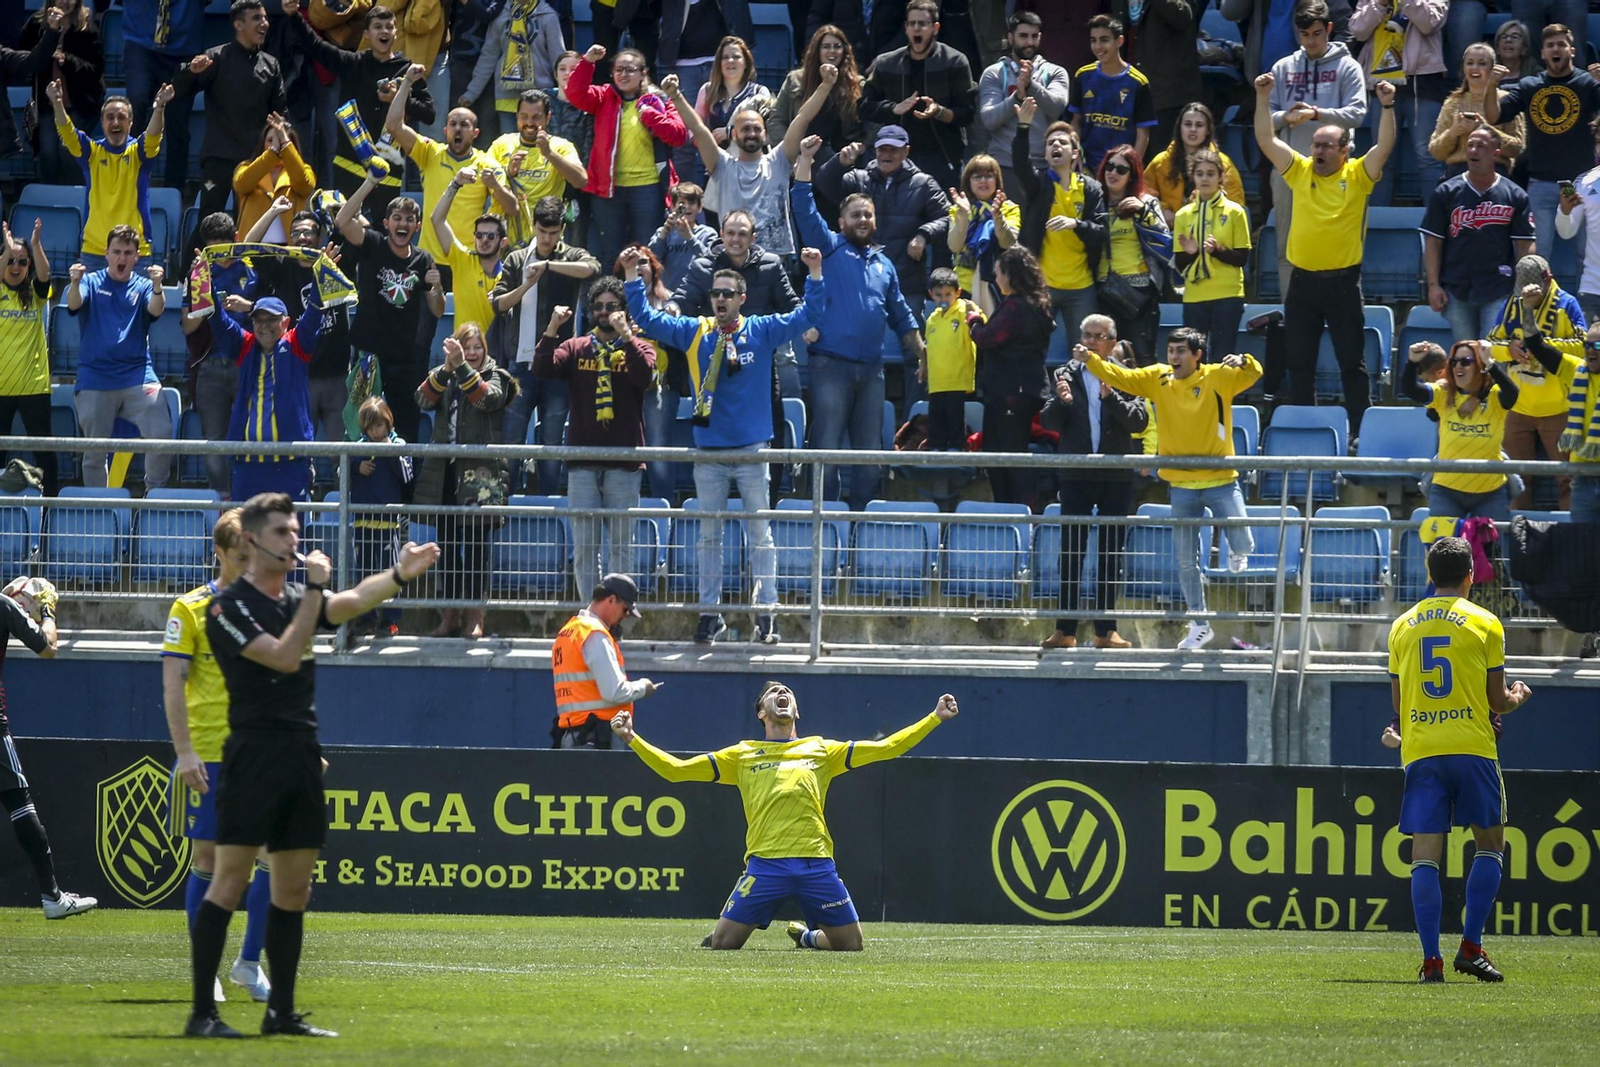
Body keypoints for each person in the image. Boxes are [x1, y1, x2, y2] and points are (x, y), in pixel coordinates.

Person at [185, 493, 440, 1039]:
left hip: (300, 752)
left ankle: (280, 1014)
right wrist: (317, 591)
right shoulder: (226, 608)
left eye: (295, 531)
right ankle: (203, 1014)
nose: (293, 540)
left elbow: (353, 601)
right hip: (252, 753)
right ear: (251, 541)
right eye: (281, 531)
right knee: (229, 881)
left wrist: (399, 574)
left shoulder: (299, 597)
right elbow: (282, 655)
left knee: (293, 889)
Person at [610, 683, 959, 950]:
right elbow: (676, 771)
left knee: (852, 945)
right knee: (723, 944)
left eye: (787, 692)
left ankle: (807, 937)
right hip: (765, 866)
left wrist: (935, 718)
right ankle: (729, 926)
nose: (782, 693)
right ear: (761, 713)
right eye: (773, 692)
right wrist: (631, 738)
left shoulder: (821, 749)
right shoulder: (743, 754)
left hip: (816, 864)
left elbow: (887, 748)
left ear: (797, 711)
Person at [623, 245, 827, 645]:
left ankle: (766, 614)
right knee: (708, 539)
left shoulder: (762, 329)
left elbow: (809, 315)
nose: (720, 299)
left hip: (752, 451)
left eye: (727, 294)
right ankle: (709, 614)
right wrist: (632, 276)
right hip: (709, 452)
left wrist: (815, 274)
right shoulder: (695, 331)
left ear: (741, 299)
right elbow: (645, 318)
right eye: (715, 293)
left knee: (761, 537)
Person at [1387, 535, 1532, 985]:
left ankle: (1431, 962)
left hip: (1423, 751)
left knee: (1424, 856)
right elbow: (1497, 701)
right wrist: (1517, 696)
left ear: (1429, 575)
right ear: (1471, 574)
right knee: (1490, 845)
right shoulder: (1486, 623)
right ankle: (1471, 947)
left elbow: (1399, 703)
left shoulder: (1402, 625)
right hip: (1472, 748)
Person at [1082, 327, 1261, 651]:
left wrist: (1244, 360)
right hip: (1181, 484)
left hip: (1221, 479)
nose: (1174, 357)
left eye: (1181, 351)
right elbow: (1121, 376)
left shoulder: (1218, 376)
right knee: (1185, 561)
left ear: (1197, 355)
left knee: (1243, 543)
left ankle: (1238, 549)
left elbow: (1254, 373)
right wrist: (1091, 359)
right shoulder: (1157, 377)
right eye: (1171, 350)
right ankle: (1199, 625)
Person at [162, 509, 272, 1005]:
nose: (250, 566)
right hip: (209, 754)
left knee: (273, 857)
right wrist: (184, 752)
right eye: (241, 558)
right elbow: (172, 685)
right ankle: (206, 970)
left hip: (259, 753)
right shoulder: (189, 609)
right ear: (220, 554)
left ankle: (248, 963)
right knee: (207, 858)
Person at [1255, 70, 1396, 438]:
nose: (1317, 151)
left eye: (1325, 146)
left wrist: (1387, 106)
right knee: (1299, 363)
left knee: (1352, 363)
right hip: (1302, 283)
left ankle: (1360, 433)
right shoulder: (1300, 171)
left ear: (1344, 150)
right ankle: (1307, 430)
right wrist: (1263, 97)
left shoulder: (1359, 174)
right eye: (1315, 145)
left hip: (1343, 285)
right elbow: (1266, 139)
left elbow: (1384, 147)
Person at [793, 139, 925, 512]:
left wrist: (922, 353)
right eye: (855, 215)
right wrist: (805, 161)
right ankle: (824, 524)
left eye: (868, 215)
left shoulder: (885, 265)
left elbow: (901, 314)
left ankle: (861, 528)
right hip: (830, 365)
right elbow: (802, 207)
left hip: (871, 371)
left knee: (870, 455)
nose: (863, 220)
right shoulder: (829, 246)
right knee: (827, 451)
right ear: (841, 222)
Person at [535, 280, 656, 596]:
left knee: (621, 547)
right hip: (583, 463)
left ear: (624, 311)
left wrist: (627, 336)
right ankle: (591, 613)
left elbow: (645, 376)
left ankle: (616, 611)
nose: (604, 312)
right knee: (585, 547)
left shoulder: (639, 346)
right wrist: (552, 328)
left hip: (624, 463)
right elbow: (543, 368)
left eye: (612, 306)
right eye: (599, 306)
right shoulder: (576, 347)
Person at [1040, 315, 1145, 650]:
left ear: (1112, 343)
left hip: (1115, 475)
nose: (1090, 341)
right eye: (1086, 335)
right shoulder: (1064, 373)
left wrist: (1111, 397)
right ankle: (1065, 630)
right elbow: (1048, 421)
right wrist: (1062, 401)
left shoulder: (1127, 375)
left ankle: (1106, 631)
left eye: (1098, 336)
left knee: (1110, 554)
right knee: (1071, 553)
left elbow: (1139, 422)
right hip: (1076, 474)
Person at [661, 58, 830, 265]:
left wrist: (826, 85)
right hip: (733, 260)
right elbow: (698, 128)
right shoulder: (721, 165)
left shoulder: (779, 160)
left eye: (757, 129)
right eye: (745, 129)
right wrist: (676, 96)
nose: (751, 133)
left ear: (765, 134)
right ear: (734, 134)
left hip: (775, 260)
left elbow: (802, 118)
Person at [490, 195, 602, 494]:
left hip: (560, 368)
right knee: (511, 442)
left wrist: (550, 265)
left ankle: (548, 502)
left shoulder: (571, 255)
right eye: (542, 231)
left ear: (562, 230)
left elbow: (592, 268)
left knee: (552, 443)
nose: (547, 238)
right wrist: (527, 283)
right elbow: (498, 305)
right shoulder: (516, 259)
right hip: (521, 365)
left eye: (553, 233)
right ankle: (505, 504)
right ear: (534, 225)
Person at [288, 4, 437, 223]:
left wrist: (401, 99)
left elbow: (429, 113)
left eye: (389, 27)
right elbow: (316, 46)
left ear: (396, 33)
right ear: (367, 34)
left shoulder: (407, 70)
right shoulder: (353, 63)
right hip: (348, 168)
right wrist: (293, 15)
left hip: (388, 174)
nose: (384, 31)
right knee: (343, 231)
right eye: (378, 27)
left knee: (383, 234)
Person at [415, 326, 518, 641]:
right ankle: (449, 615)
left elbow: (487, 399)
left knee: (475, 549)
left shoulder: (497, 375)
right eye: (466, 347)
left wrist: (461, 367)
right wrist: (447, 370)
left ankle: (475, 615)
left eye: (477, 347)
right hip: (445, 473)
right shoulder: (445, 374)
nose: (472, 353)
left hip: (480, 475)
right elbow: (422, 399)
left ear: (485, 349)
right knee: (444, 548)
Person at [1, 576, 95, 920]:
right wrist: (46, 611)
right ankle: (52, 896)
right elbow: (48, 647)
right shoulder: (3, 606)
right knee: (20, 802)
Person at [1485, 24, 1600, 292]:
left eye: (1561, 44)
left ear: (1572, 50)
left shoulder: (1587, 83)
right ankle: (1537, 309)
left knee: (1587, 255)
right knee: (1538, 258)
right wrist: (1491, 86)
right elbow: (1493, 116)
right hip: (1541, 183)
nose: (1555, 49)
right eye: (1550, 45)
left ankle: (1588, 311)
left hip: (1582, 185)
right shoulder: (1530, 85)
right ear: (1543, 53)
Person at [1264, 0, 1368, 294]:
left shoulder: (1347, 66)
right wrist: (1284, 117)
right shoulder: (1282, 68)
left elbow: (1358, 113)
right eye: (1305, 34)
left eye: (1317, 34)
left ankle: (1342, 310)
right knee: (1286, 245)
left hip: (1337, 171)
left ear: (1329, 29)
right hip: (1291, 168)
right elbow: (1265, 117)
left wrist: (1316, 113)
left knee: (1341, 249)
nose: (1311, 41)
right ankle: (1292, 310)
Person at [335, 175, 445, 446]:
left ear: (417, 226)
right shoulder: (373, 243)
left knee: (405, 427)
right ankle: (359, 469)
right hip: (368, 354)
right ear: (386, 223)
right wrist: (370, 182)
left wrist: (437, 287)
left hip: (404, 359)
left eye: (409, 219)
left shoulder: (423, 259)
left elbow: (438, 310)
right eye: (397, 218)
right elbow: (343, 221)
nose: (403, 224)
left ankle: (402, 472)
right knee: (360, 422)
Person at [813, 124, 951, 338]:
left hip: (906, 280)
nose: (886, 155)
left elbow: (949, 217)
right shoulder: (859, 179)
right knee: (859, 341)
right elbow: (823, 183)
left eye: (893, 149)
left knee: (912, 342)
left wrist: (924, 235)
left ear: (906, 152)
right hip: (861, 278)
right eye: (882, 149)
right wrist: (839, 163)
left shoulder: (923, 183)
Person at [567, 44, 690, 275]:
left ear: (643, 73)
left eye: (630, 70)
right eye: (618, 70)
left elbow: (679, 135)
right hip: (608, 190)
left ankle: (644, 297)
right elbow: (575, 94)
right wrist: (587, 62)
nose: (623, 75)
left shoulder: (658, 100)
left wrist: (653, 117)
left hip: (648, 188)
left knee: (646, 252)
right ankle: (611, 297)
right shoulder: (604, 96)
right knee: (611, 254)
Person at [65, 228, 171, 492]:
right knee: (94, 451)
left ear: (136, 257)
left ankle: (154, 496)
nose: (121, 258)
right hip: (95, 377)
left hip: (137, 374)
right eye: (116, 252)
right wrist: (75, 283)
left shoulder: (144, 285)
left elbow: (155, 310)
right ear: (106, 254)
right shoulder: (91, 281)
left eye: (127, 252)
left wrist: (158, 286)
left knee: (162, 432)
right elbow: (74, 304)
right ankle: (99, 504)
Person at [386, 62, 516, 266]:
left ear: (475, 133)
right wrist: (407, 82)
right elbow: (394, 126)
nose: (457, 129)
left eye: (464, 125)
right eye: (453, 124)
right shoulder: (430, 153)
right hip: (429, 261)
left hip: (466, 262)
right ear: (445, 131)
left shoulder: (487, 164)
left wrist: (495, 186)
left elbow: (512, 208)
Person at [245, 204, 352, 451]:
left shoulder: (334, 260)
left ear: (319, 236)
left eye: (308, 232)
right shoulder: (283, 267)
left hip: (338, 376)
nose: (302, 237)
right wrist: (272, 211)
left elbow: (354, 228)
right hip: (300, 376)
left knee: (343, 455)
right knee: (300, 451)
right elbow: (249, 246)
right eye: (295, 233)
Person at [169, 0, 289, 219]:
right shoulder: (216, 57)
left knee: (248, 223)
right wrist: (191, 71)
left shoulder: (271, 65)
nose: (265, 23)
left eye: (265, 18)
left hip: (254, 161)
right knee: (209, 222)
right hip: (219, 158)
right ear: (238, 25)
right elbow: (179, 90)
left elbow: (280, 114)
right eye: (257, 18)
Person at [1486, 257, 1587, 510]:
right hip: (1517, 408)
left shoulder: (1567, 304)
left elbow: (1584, 348)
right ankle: (1517, 533)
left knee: (1568, 479)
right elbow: (1488, 345)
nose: (1528, 297)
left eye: (1534, 292)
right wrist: (1509, 350)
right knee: (1516, 480)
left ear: (1548, 279)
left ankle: (1572, 531)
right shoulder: (1512, 304)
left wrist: (1542, 347)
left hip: (1559, 410)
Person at [1013, 96, 1107, 367]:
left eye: (1063, 142)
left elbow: (1101, 231)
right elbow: (1020, 164)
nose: (1056, 145)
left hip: (1082, 287)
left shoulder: (1090, 188)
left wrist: (1076, 224)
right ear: (1045, 153)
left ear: (1075, 153)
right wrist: (1023, 128)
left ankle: (1080, 393)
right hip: (1043, 284)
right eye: (1050, 143)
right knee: (1030, 349)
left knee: (1086, 355)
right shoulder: (1039, 184)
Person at [1422, 126, 1537, 345]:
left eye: (1481, 146)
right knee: (1466, 353)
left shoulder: (1514, 194)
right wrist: (1433, 285)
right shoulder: (1446, 192)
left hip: (1498, 286)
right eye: (1470, 145)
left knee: (1490, 352)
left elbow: (1525, 245)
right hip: (1456, 287)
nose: (1474, 151)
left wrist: (1521, 286)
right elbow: (1433, 242)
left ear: (1496, 153)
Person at [966, 246, 1055, 506]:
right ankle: (1011, 512)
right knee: (1000, 454)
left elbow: (987, 338)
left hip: (1011, 392)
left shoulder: (1017, 306)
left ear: (1011, 275)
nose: (996, 279)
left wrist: (974, 319)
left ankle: (1018, 515)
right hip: (1021, 389)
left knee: (1009, 457)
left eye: (998, 274)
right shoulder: (1035, 303)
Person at [860, 0, 978, 193]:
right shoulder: (887, 63)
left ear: (935, 28)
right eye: (912, 23)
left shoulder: (955, 61)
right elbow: (864, 106)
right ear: (905, 28)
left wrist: (939, 112)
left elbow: (967, 114)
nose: (916, 28)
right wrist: (893, 108)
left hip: (943, 156)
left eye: (922, 24)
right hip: (899, 156)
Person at [50, 80, 170, 271]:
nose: (115, 122)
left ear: (130, 122)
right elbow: (68, 133)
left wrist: (159, 108)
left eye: (121, 117)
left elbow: (154, 135)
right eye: (110, 117)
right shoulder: (91, 153)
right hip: (95, 251)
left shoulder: (139, 153)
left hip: (134, 250)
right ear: (102, 122)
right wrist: (57, 103)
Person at [1399, 339, 1521, 521]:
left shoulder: (1494, 396)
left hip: (1490, 492)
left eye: (1466, 362)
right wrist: (1412, 362)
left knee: (1493, 541)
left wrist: (1490, 363)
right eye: (1454, 362)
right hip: (1446, 490)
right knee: (1445, 541)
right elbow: (1410, 389)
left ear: (1479, 365)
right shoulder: (1442, 392)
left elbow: (1513, 393)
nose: (1458, 366)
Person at [1349, 0, 1447, 206]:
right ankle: (1378, 218)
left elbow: (1430, 23)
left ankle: (1436, 219)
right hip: (1381, 82)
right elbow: (1357, 30)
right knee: (1382, 156)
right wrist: (1379, 4)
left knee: (1427, 156)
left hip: (1422, 82)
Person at [550, 574, 662, 749]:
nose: (625, 616)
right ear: (611, 600)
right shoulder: (595, 634)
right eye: (625, 609)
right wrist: (643, 687)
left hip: (574, 735)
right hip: (596, 738)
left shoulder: (567, 632)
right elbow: (614, 692)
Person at [976, 11, 1071, 213]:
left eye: (1034, 36)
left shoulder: (1055, 72)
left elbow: (1057, 107)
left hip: (1044, 167)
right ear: (1010, 38)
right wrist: (1016, 98)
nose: (1029, 42)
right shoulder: (994, 73)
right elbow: (989, 119)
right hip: (1004, 168)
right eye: (1023, 36)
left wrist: (1030, 86)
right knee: (1005, 230)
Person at [1173, 148, 1252, 363]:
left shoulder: (1235, 211)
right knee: (1193, 359)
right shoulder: (1183, 214)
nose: (1205, 179)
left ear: (1220, 177)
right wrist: (1192, 253)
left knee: (1222, 357)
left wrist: (1218, 251)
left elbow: (1242, 259)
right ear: (1193, 177)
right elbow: (1179, 264)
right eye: (1200, 174)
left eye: (1210, 173)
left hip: (1227, 293)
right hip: (1195, 295)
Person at [625, 247, 691, 499]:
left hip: (663, 386)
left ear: (654, 269)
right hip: (625, 384)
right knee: (625, 444)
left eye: (643, 262)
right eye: (633, 263)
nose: (638, 267)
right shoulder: (614, 302)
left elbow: (682, 343)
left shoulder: (671, 301)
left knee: (658, 445)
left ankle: (663, 508)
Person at [0, 222, 60, 497]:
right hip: (1, 388)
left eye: (22, 261)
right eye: (10, 260)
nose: (16, 266)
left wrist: (35, 245)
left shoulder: (36, 294)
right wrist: (7, 249)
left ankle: (50, 512)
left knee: (45, 453)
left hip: (33, 386)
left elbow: (45, 274)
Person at [1095, 145, 1170, 365]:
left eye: (1121, 169)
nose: (1113, 173)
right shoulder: (1095, 202)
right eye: (1109, 167)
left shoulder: (1146, 202)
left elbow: (1164, 238)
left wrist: (1143, 211)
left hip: (1139, 290)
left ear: (1132, 175)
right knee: (1106, 357)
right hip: (1104, 288)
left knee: (1141, 356)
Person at [488, 90, 589, 247]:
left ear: (548, 117)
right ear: (517, 116)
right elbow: (484, 183)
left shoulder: (561, 146)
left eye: (536, 117)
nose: (529, 123)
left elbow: (581, 180)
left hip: (545, 240)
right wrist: (508, 173)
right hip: (504, 240)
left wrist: (549, 153)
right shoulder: (501, 144)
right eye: (524, 116)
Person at [18, 0, 103, 185]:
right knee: (48, 152)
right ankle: (52, 194)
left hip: (81, 105)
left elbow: (95, 70)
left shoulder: (87, 27)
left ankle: (80, 192)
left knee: (68, 149)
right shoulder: (36, 24)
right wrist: (49, 33)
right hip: (48, 105)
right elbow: (23, 57)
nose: (65, 1)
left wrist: (67, 61)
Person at [674, 35, 775, 187]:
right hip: (715, 170)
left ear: (746, 63)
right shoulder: (707, 90)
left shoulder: (759, 92)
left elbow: (768, 131)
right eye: (725, 57)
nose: (730, 61)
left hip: (750, 172)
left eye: (736, 57)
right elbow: (694, 128)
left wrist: (729, 132)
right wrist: (705, 141)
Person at [121, 0, 199, 190]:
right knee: (135, 107)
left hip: (184, 49)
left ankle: (174, 191)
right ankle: (128, 185)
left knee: (178, 125)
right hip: (140, 43)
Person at [462, 0, 566, 140]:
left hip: (539, 96)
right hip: (507, 96)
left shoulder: (547, 16)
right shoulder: (501, 16)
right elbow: (489, 56)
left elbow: (558, 58)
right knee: (510, 146)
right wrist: (472, 92)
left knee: (538, 146)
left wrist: (567, 90)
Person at [766, 24, 866, 165]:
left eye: (837, 46)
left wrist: (861, 147)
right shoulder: (795, 80)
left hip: (842, 157)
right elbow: (776, 120)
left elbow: (871, 124)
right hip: (801, 154)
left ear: (844, 51)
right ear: (817, 50)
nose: (832, 51)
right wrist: (789, 152)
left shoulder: (857, 84)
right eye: (826, 46)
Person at [1070, 14, 1157, 173]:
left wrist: (1130, 169)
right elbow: (1076, 122)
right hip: (1086, 167)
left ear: (1119, 41)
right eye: (1093, 40)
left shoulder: (1138, 82)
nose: (1098, 46)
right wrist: (1075, 152)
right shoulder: (1082, 76)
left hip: (1119, 170)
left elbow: (1143, 134)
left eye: (1104, 40)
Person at [1428, 43, 1525, 178]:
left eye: (1482, 63)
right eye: (1470, 63)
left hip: (1495, 173)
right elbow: (1436, 152)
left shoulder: (1506, 100)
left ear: (1492, 68)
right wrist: (1454, 131)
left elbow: (1517, 148)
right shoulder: (1452, 103)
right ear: (1464, 68)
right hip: (1458, 173)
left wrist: (1486, 130)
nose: (1475, 68)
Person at [1145, 102, 1248, 225]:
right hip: (1167, 230)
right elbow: (1143, 194)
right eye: (1188, 124)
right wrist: (1163, 209)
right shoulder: (1160, 162)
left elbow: (1236, 206)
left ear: (1208, 130)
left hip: (1210, 231)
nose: (1193, 129)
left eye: (1199, 125)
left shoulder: (1223, 164)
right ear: (1180, 128)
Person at [430, 178, 510, 337]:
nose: (484, 240)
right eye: (479, 235)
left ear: (503, 242)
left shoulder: (509, 274)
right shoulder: (462, 259)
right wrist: (455, 184)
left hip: (495, 351)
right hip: (461, 349)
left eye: (491, 236)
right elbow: (437, 219)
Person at [946, 155, 1020, 311]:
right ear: (968, 181)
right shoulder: (958, 209)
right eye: (977, 177)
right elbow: (954, 246)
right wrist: (963, 215)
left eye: (989, 176)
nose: (983, 181)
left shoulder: (1009, 208)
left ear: (997, 180)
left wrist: (998, 218)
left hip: (998, 285)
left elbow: (1008, 243)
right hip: (963, 286)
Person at [922, 268, 981, 451]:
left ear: (958, 292)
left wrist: (974, 314)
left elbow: (982, 326)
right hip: (936, 381)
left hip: (957, 379)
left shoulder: (964, 310)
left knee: (955, 417)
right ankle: (936, 448)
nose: (944, 299)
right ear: (931, 294)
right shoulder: (932, 319)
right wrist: (923, 365)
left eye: (948, 294)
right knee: (936, 417)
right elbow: (929, 346)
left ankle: (956, 448)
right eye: (938, 295)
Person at [232, 113, 315, 243]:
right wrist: (272, 153)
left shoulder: (303, 169)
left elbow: (305, 187)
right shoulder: (246, 167)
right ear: (262, 143)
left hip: (289, 249)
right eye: (270, 140)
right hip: (251, 248)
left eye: (281, 140)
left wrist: (285, 143)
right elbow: (241, 185)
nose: (276, 144)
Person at [1556, 115, 1600, 326]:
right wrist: (1565, 211)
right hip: (1593, 288)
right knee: (1587, 346)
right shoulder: (1584, 181)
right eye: (1599, 141)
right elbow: (1566, 232)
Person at [649, 182, 718, 292]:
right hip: (668, 292)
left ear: (700, 207)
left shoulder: (708, 233)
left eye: (692, 203)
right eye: (682, 203)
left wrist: (690, 237)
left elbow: (710, 262)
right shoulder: (664, 232)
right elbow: (652, 260)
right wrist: (664, 232)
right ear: (673, 207)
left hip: (696, 292)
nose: (687, 207)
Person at [1563, 322, 1600, 525]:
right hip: (1583, 479)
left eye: (1597, 346)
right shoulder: (1575, 369)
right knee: (1582, 542)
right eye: (1587, 345)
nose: (1590, 351)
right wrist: (1527, 313)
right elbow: (1538, 347)